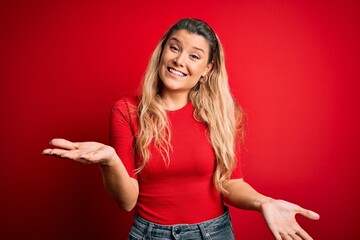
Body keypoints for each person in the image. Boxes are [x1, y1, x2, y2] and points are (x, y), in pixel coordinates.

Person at [42, 18, 320, 240]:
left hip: (215, 233)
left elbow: (230, 183)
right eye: (174, 48)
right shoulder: (126, 110)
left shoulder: (222, 113)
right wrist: (110, 160)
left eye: (194, 56)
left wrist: (264, 202)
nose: (179, 60)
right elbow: (127, 202)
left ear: (207, 68)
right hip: (150, 235)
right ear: (162, 52)